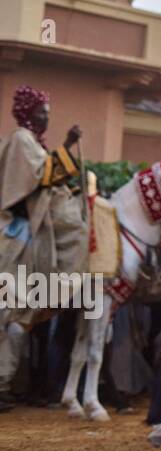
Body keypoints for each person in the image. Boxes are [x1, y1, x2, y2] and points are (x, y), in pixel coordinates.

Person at [0, 86, 89, 408]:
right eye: (42, 113)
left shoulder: (33, 144)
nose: (46, 119)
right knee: (8, 315)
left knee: (17, 321)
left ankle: (7, 384)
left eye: (48, 114)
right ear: (27, 114)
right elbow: (42, 177)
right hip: (13, 238)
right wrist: (67, 146)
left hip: (31, 237)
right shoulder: (22, 140)